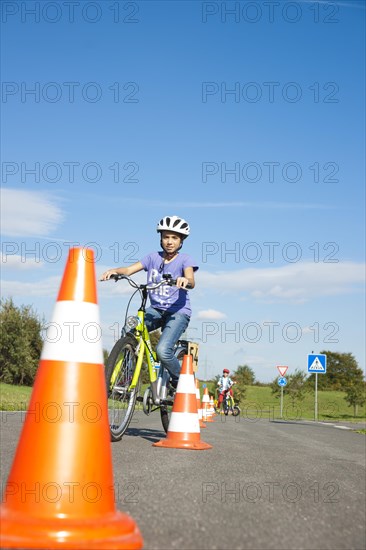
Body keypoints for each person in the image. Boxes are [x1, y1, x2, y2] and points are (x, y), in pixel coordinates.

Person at [100, 215, 198, 389]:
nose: (169, 241)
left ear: (181, 241)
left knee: (163, 350)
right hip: (156, 310)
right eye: (166, 237)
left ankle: (181, 382)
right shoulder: (152, 258)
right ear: (160, 238)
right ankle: (126, 375)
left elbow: (191, 279)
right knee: (129, 330)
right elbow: (129, 269)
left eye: (174, 238)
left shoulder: (185, 260)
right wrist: (116, 271)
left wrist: (185, 280)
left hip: (178, 312)